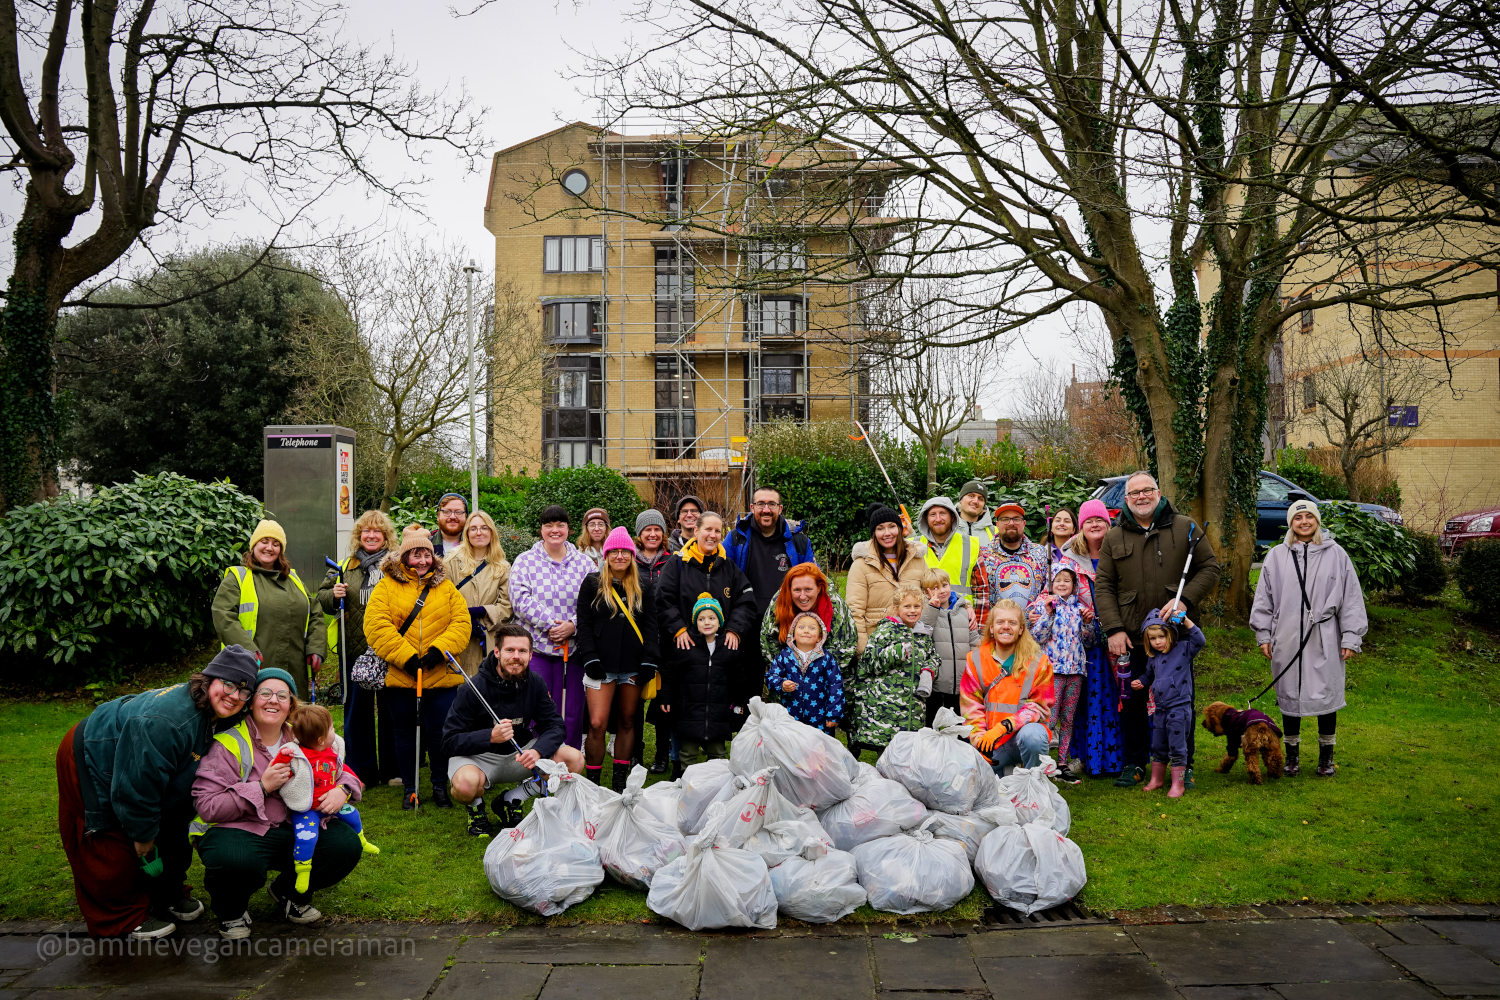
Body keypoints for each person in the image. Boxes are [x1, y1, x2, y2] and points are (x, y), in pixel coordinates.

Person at [57, 646, 256, 939]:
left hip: (142, 765)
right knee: (110, 840)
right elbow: (136, 786)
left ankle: (166, 895)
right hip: (93, 753)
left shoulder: (215, 711)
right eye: (228, 684)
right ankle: (122, 916)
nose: (234, 696)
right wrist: (143, 834)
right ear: (210, 679)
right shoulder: (167, 722)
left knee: (173, 825)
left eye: (244, 692)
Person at [191, 667, 365, 939]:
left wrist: (343, 789)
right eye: (265, 693)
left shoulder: (303, 734)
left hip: (291, 827)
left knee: (344, 845)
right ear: (251, 702)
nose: (273, 700)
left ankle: (288, 892)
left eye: (282, 695)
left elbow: (339, 766)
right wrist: (262, 787)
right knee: (235, 860)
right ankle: (231, 912)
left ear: (291, 705)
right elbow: (208, 806)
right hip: (239, 829)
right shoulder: (228, 743)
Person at [1095, 471, 1220, 788]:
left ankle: (1184, 764)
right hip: (1133, 637)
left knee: (1179, 704)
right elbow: (1105, 585)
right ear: (1126, 499)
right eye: (1134, 493)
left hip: (1174, 639)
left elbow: (1210, 568)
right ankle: (1135, 763)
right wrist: (1113, 629)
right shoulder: (1114, 536)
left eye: (1146, 490)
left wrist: (1186, 601)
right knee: (1133, 701)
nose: (1141, 497)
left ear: (1159, 492)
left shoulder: (1185, 527)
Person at [1249, 499, 1367, 778]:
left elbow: (1351, 599)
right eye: (1298, 517)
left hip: (1325, 636)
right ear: (1290, 523)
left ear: (1317, 520)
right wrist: (1263, 634)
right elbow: (1263, 598)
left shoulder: (1337, 555)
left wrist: (1350, 637)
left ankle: (1326, 758)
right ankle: (1291, 757)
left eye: (1309, 516)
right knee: (1289, 696)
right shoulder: (1277, 556)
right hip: (1287, 637)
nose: (1304, 522)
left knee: (1326, 696)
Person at [363, 524, 472, 810]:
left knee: (440, 733)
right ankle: (410, 788)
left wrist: (439, 652)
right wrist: (406, 657)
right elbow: (376, 625)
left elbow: (461, 623)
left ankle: (439, 785)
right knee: (405, 733)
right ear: (404, 558)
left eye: (426, 554)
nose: (422, 560)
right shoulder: (386, 586)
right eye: (415, 555)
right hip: (402, 675)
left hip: (440, 675)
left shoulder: (445, 587)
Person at [445, 623, 584, 836]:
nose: (516, 656)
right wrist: (490, 736)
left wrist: (538, 751)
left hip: (520, 754)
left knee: (574, 759)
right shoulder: (472, 688)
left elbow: (555, 725)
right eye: (510, 650)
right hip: (479, 758)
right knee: (465, 785)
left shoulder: (535, 683)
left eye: (522, 651)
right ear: (497, 652)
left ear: (530, 655)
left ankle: (514, 798)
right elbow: (449, 741)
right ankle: (476, 808)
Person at [318, 510, 398, 788]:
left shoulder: (396, 565)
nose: (372, 535)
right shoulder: (344, 565)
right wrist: (334, 594)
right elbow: (322, 597)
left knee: (391, 708)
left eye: (378, 531)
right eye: (366, 531)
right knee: (357, 709)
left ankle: (393, 770)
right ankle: (360, 770)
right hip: (353, 648)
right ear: (359, 535)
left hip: (389, 648)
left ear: (386, 536)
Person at [656, 511, 758, 727]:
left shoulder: (728, 567)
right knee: (680, 703)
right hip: (685, 647)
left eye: (717, 531)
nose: (712, 535)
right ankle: (674, 757)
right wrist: (679, 629)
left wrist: (734, 629)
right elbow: (663, 599)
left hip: (717, 650)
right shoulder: (677, 565)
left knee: (715, 699)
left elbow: (746, 600)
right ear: (696, 531)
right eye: (708, 530)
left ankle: (715, 750)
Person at [576, 527, 659, 790]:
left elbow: (651, 625)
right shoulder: (591, 583)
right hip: (600, 665)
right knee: (597, 723)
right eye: (615, 551)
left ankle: (619, 780)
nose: (620, 556)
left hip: (632, 666)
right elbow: (584, 625)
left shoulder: (643, 585)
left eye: (625, 551)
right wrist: (589, 658)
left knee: (627, 720)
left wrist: (649, 660)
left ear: (632, 555)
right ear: (607, 554)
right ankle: (593, 781)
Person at [508, 505, 596, 749]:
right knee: (537, 709)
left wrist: (572, 626)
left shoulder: (585, 564)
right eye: (549, 525)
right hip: (537, 649)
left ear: (569, 529)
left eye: (560, 525)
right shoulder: (525, 561)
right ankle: (538, 765)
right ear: (541, 529)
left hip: (574, 649)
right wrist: (551, 624)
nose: (555, 530)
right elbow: (520, 599)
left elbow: (595, 601)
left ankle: (568, 764)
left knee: (572, 710)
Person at [268, 703, 379, 894]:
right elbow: (276, 767)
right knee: (306, 838)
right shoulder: (297, 755)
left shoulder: (330, 751)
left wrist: (344, 788)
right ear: (320, 739)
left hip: (330, 804)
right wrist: (283, 757)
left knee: (352, 814)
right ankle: (303, 870)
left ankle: (361, 840)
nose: (335, 731)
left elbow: (343, 771)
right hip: (308, 809)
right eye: (331, 729)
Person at [212, 519, 325, 699]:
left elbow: (315, 613)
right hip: (252, 668)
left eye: (276, 544)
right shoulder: (237, 578)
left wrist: (316, 648)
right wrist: (248, 651)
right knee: (256, 717)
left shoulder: (293, 579)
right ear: (254, 545)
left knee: (291, 719)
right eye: (264, 541)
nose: (269, 548)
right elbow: (223, 615)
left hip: (295, 671)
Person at [961, 598, 1056, 773]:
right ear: (991, 628)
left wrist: (1003, 727)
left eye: (1012, 622)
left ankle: (1034, 787)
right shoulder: (975, 660)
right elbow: (971, 708)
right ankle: (1004, 773)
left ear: (1021, 629)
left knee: (1033, 736)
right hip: (992, 741)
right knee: (984, 789)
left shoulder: (1039, 663)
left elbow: (1039, 707)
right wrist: (980, 742)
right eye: (1000, 622)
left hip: (1022, 738)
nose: (1006, 627)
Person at [1066, 499, 1123, 777]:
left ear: (1108, 524)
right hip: (1083, 643)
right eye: (1089, 521)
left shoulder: (1119, 554)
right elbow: (1061, 593)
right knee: (1084, 699)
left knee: (1115, 696)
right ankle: (1084, 756)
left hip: (1115, 636)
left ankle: (1114, 758)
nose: (1095, 524)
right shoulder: (1069, 561)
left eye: (1100, 520)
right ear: (1081, 527)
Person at [1028, 565, 1098, 784]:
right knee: (1049, 718)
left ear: (1074, 585)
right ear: (1050, 584)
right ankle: (1042, 763)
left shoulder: (1080, 608)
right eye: (1057, 580)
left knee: (1068, 719)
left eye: (1066, 580)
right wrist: (1048, 614)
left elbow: (1089, 641)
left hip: (1075, 671)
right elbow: (1036, 636)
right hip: (1052, 672)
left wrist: (1088, 624)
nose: (1062, 584)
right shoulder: (1043, 605)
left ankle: (1062, 763)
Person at [853, 583, 941, 752]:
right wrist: (896, 652)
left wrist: (929, 670)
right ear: (896, 609)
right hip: (886, 709)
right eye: (907, 606)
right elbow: (869, 663)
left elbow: (934, 657)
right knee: (886, 755)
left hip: (913, 709)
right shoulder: (886, 631)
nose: (912, 610)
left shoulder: (923, 635)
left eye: (917, 606)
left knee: (907, 756)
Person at [757, 563, 858, 708]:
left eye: (808, 589)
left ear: (819, 588)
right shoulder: (778, 603)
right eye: (797, 590)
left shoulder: (834, 605)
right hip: (789, 675)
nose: (803, 596)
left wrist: (817, 679)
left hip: (824, 672)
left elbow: (846, 646)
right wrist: (788, 676)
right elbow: (768, 644)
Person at [657, 594, 741, 766]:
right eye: (701, 619)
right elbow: (671, 674)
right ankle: (687, 786)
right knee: (688, 753)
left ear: (720, 622)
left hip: (718, 713)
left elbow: (737, 678)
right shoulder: (687, 646)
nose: (707, 622)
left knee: (718, 754)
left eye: (712, 618)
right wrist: (666, 697)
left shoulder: (728, 647)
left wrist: (738, 702)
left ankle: (717, 788)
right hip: (690, 711)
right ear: (696, 622)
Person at [1131, 609, 1206, 797]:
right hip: (1160, 708)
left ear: (1170, 633)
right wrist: (1142, 681)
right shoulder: (1154, 657)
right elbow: (1149, 675)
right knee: (1158, 744)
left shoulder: (1184, 649)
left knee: (1178, 745)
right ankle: (1156, 779)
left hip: (1179, 707)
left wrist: (1186, 620)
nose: (1157, 642)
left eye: (1161, 636)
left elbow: (1200, 641)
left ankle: (1178, 784)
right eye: (1153, 638)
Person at [846, 505, 928, 654]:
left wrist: (964, 604)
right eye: (880, 528)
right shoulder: (862, 564)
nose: (887, 533)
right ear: (874, 533)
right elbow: (854, 611)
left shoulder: (917, 560)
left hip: (912, 644)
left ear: (900, 528)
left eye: (892, 526)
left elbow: (930, 594)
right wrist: (863, 650)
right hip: (877, 646)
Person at [445, 510, 513, 676]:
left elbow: (507, 607)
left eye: (484, 528)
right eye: (473, 528)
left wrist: (482, 612)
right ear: (467, 533)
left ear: (491, 532)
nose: (479, 532)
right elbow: (441, 598)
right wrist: (464, 618)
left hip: (487, 637)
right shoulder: (451, 561)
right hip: (457, 636)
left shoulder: (503, 567)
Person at [634, 508, 675, 773]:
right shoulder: (629, 561)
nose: (652, 533)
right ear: (639, 534)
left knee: (663, 701)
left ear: (663, 533)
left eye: (657, 529)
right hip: (636, 641)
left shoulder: (673, 562)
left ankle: (661, 755)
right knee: (634, 702)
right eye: (647, 529)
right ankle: (635, 754)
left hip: (666, 641)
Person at [969, 502, 1048, 626]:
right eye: (1005, 519)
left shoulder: (1040, 553)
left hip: (1033, 634)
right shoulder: (983, 555)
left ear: (1024, 523)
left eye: (1016, 519)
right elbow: (976, 593)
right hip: (997, 633)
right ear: (997, 524)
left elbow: (1048, 590)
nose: (1011, 523)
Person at [920, 567, 980, 729]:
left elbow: (974, 639)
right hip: (938, 681)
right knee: (933, 722)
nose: (941, 591)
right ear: (927, 593)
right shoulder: (927, 613)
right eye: (934, 588)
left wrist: (977, 662)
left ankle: (957, 748)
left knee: (958, 722)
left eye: (944, 585)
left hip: (962, 678)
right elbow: (923, 632)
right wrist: (933, 608)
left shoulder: (963, 611)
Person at [764, 612, 845, 731]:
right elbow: (771, 676)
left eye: (812, 628)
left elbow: (836, 685)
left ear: (819, 637)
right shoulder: (784, 656)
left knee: (819, 748)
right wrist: (781, 684)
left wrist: (833, 714)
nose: (806, 631)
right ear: (793, 635)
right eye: (801, 627)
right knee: (792, 746)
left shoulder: (826, 658)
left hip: (819, 719)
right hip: (791, 717)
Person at [911, 495, 982, 600]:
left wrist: (978, 616)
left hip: (962, 613)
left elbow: (981, 589)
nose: (938, 519)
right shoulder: (912, 546)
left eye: (943, 513)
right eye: (933, 514)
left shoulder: (971, 544)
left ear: (952, 516)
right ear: (926, 519)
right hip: (924, 614)